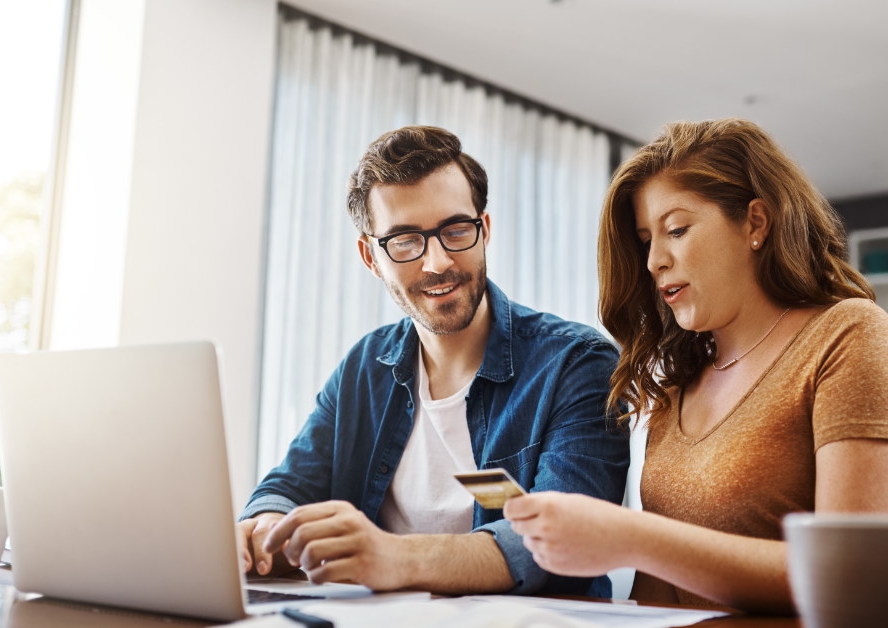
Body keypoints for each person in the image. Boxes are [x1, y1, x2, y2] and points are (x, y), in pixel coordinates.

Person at [504, 118, 888, 612]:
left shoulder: (849, 335)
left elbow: (856, 579)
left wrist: (632, 536)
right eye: (645, 241)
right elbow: (659, 595)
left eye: (676, 229)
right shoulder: (682, 379)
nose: (654, 260)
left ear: (756, 223)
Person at [237, 125, 629, 597]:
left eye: (455, 230)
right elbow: (288, 487)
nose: (437, 262)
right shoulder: (364, 367)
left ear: (484, 231)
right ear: (370, 257)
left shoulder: (576, 363)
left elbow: (562, 540)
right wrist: (264, 529)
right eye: (404, 241)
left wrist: (391, 557)